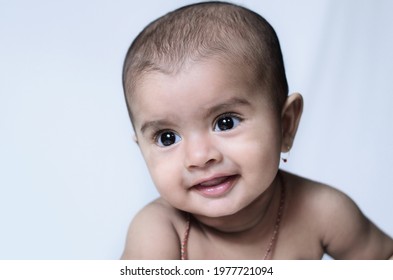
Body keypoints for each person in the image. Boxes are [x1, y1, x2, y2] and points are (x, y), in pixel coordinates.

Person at [120, 1, 393, 259]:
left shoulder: (323, 211)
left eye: (225, 122)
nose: (200, 156)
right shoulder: (157, 233)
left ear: (285, 124)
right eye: (167, 138)